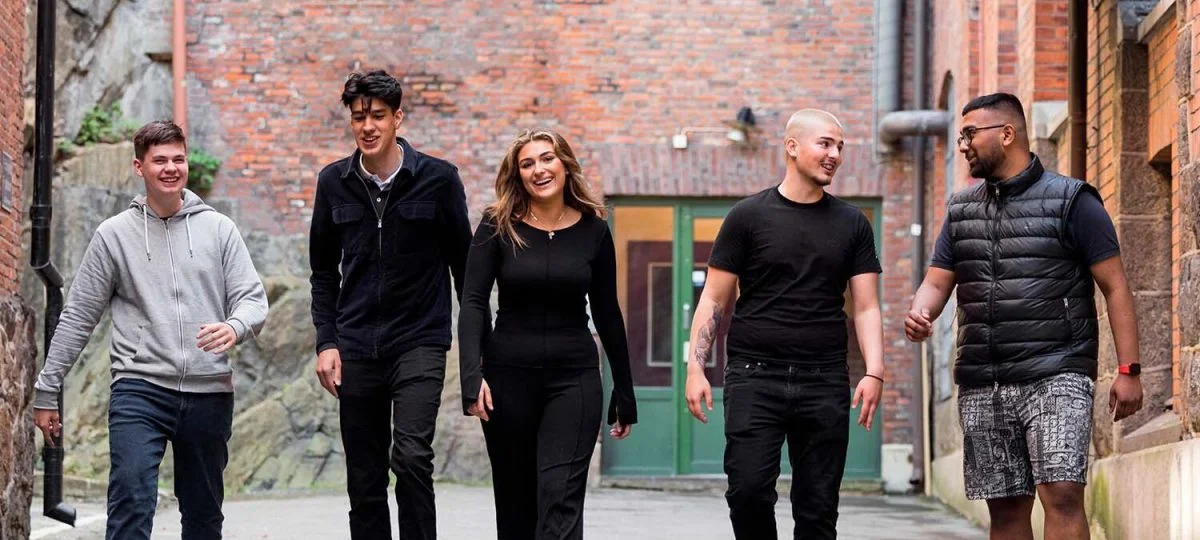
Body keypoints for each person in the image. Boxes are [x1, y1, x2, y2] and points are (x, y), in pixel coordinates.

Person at [905, 92, 1144, 540]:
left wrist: (1128, 370)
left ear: (1007, 133)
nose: (963, 145)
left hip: (1056, 374)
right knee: (1007, 510)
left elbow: (1115, 286)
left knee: (1062, 494)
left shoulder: (1072, 200)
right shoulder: (960, 210)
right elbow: (936, 282)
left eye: (970, 133)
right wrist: (921, 311)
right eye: (961, 136)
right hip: (984, 380)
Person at [31, 120, 269, 540]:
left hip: (209, 390)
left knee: (204, 516)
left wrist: (235, 327)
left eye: (179, 159)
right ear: (139, 167)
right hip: (139, 388)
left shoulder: (219, 229)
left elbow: (253, 300)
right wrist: (47, 389)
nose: (171, 168)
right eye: (160, 160)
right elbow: (78, 316)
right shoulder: (114, 236)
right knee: (130, 502)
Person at [683, 109, 885, 539]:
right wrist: (694, 367)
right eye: (825, 143)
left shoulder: (853, 223)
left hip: (824, 379)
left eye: (840, 146)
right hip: (755, 377)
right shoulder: (747, 216)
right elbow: (714, 299)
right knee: (748, 493)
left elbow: (867, 307)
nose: (835, 154)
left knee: (818, 509)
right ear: (791, 147)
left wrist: (874, 371)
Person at [308, 69, 472, 540]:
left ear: (398, 117)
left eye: (378, 115)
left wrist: (477, 347)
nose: (368, 126)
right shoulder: (333, 182)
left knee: (412, 456)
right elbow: (323, 273)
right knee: (364, 475)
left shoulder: (438, 179)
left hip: (420, 339)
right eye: (359, 117)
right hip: (357, 344)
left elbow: (465, 269)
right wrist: (327, 342)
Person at [457, 129, 637, 539]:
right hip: (507, 381)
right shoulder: (497, 225)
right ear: (517, 174)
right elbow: (473, 302)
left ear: (565, 164)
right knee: (516, 507)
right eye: (527, 163)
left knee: (560, 496)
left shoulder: (593, 231)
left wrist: (624, 389)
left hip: (574, 380)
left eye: (547, 158)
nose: (538, 169)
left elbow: (607, 312)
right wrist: (471, 376)